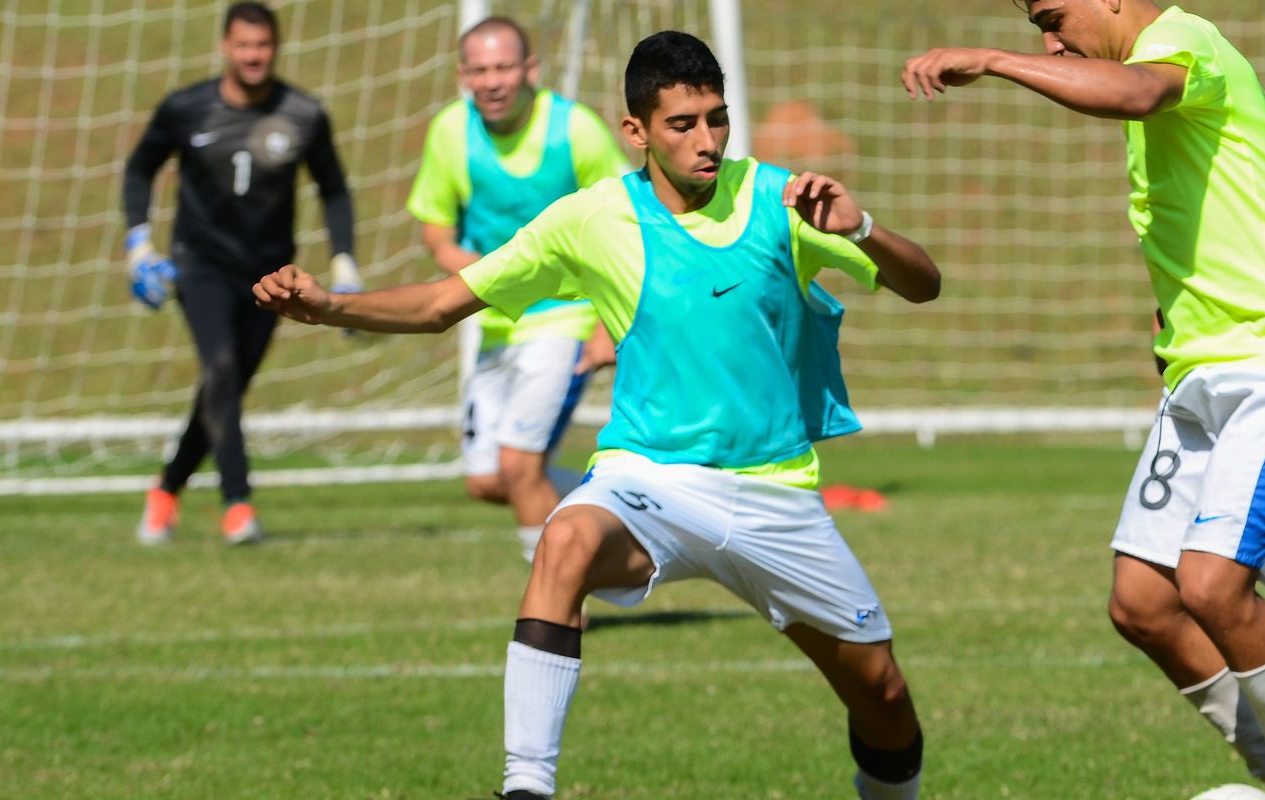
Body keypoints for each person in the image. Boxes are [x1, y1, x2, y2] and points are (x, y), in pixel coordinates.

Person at [255, 31, 940, 800]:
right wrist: (329, 306)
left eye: (717, 119)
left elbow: (924, 284)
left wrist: (862, 227)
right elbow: (445, 302)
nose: (707, 141)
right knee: (566, 538)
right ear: (636, 131)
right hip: (649, 475)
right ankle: (525, 787)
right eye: (683, 125)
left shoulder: (783, 200)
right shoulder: (591, 218)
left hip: (775, 491)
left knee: (881, 697)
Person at [902, 3, 1265, 799]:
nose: (1049, 43)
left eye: (1054, 19)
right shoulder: (1151, 63)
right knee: (1143, 603)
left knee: (1212, 587)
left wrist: (996, 61)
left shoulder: (1181, 41)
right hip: (1203, 372)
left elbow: (1135, 93)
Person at [123, 1, 358, 546]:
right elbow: (140, 168)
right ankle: (238, 506)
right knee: (223, 370)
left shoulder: (304, 113)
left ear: (275, 48)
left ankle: (165, 490)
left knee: (223, 387)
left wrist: (345, 261)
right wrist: (139, 244)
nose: (254, 56)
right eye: (244, 45)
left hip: (271, 272)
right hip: (200, 263)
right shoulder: (186, 108)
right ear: (226, 47)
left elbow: (334, 188)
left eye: (263, 46)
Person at [408, 17, 631, 563]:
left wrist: (609, 326)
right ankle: (621, 502)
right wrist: (482, 273)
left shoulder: (574, 130)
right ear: (463, 75)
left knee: (518, 467)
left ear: (530, 69)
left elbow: (630, 223)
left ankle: (557, 607)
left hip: (566, 320)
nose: (493, 81)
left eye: (504, 67)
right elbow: (435, 229)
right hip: (496, 324)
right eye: (480, 70)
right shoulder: (450, 132)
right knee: (487, 480)